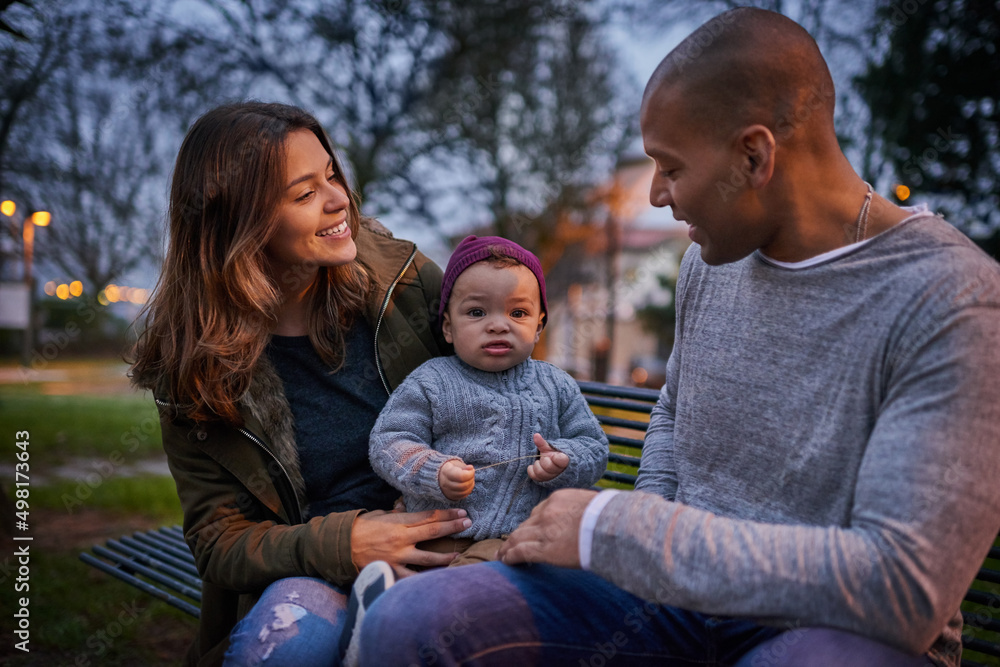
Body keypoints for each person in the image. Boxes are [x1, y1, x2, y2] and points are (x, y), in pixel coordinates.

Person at [356, 8, 1000, 667]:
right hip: (674, 604)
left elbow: (904, 586)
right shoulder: (708, 262)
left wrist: (620, 529)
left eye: (671, 167)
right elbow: (671, 411)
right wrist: (640, 541)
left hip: (832, 632)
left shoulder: (953, 299)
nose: (658, 194)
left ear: (755, 156)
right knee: (413, 622)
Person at [129, 101, 471, 667]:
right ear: (240, 223)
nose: (339, 200)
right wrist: (344, 544)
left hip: (452, 541)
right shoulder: (196, 364)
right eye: (304, 192)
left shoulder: (404, 284)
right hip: (314, 573)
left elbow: (504, 377)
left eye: (331, 174)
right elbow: (218, 540)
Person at [368, 235, 609, 566]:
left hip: (517, 537)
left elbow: (594, 447)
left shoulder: (556, 384)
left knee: (474, 579)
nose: (498, 325)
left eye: (518, 312)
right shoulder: (432, 380)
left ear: (539, 327)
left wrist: (565, 461)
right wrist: (435, 471)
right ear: (449, 327)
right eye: (477, 312)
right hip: (438, 530)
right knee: (405, 574)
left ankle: (419, 605)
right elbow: (389, 441)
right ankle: (385, 600)